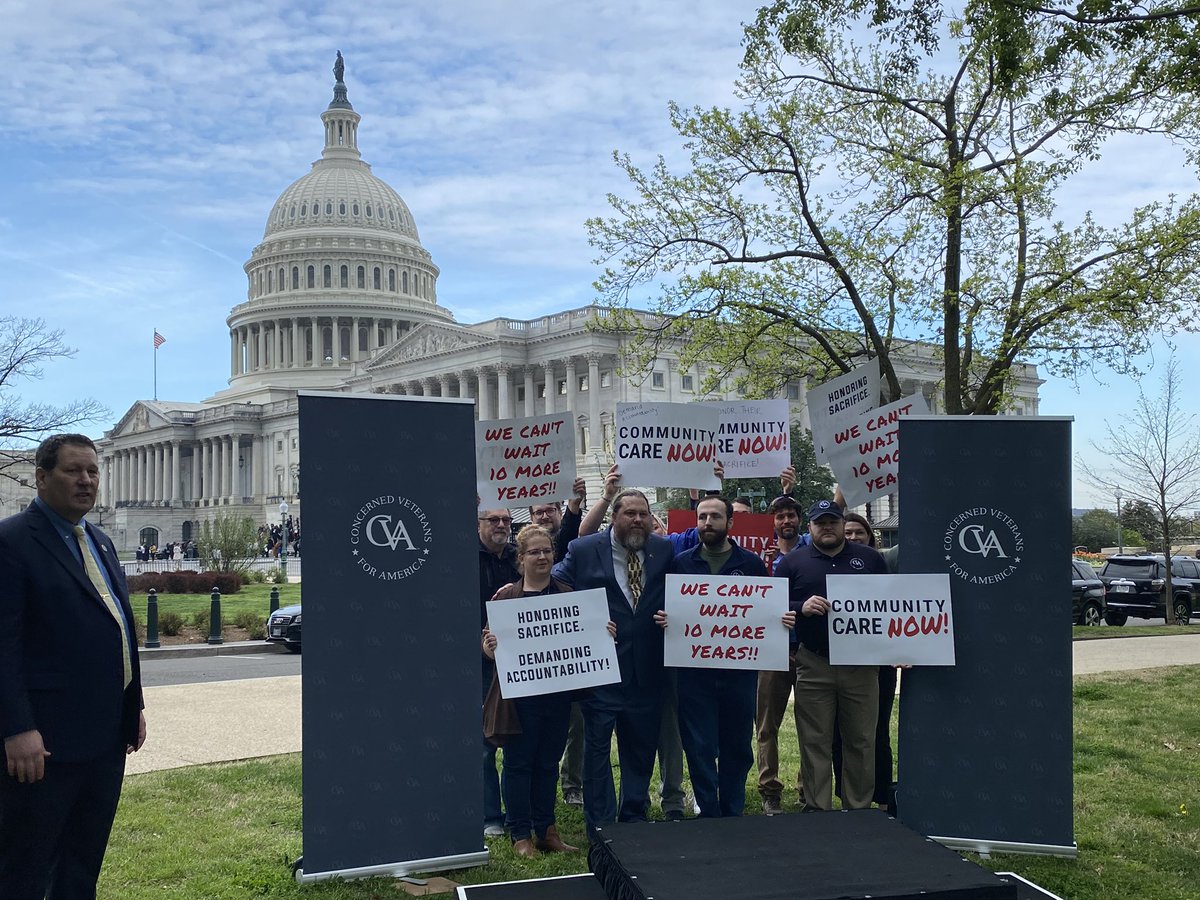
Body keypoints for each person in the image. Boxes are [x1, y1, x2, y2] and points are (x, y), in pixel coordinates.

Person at [0, 433, 147, 899]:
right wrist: (16, 727)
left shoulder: (99, 542)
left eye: (92, 471)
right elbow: (4, 645)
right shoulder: (12, 542)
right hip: (43, 743)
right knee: (26, 865)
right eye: (73, 471)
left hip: (104, 738)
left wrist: (133, 703)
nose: (86, 481)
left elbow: (116, 628)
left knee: (82, 863)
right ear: (41, 478)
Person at [659, 496, 794, 817]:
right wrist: (666, 619)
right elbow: (670, 609)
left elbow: (764, 610)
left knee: (736, 746)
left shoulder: (750, 564)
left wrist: (781, 619)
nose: (708, 523)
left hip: (739, 673)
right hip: (695, 674)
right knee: (699, 746)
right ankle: (708, 810)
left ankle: (732, 809)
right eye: (702, 517)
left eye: (715, 517)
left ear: (730, 523)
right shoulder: (681, 564)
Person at [553, 488, 676, 831]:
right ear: (613, 516)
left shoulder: (664, 550)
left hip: (648, 670)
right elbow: (554, 586)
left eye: (644, 514)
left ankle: (634, 815)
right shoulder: (583, 550)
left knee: (640, 748)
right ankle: (602, 822)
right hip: (602, 671)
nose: (638, 520)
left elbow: (688, 591)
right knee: (596, 751)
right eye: (630, 514)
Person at [482, 526, 594, 858]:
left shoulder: (569, 595)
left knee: (547, 763)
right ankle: (520, 834)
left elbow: (584, 641)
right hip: (519, 699)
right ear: (521, 559)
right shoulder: (506, 598)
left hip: (557, 697)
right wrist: (489, 647)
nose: (542, 557)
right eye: (534, 552)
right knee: (519, 764)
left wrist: (602, 632)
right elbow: (489, 648)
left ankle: (546, 830)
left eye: (547, 551)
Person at [775, 499, 887, 811]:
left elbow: (892, 605)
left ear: (841, 523)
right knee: (814, 740)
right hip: (814, 662)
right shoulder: (792, 563)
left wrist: (902, 645)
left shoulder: (870, 559)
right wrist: (800, 607)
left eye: (832, 521)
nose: (827, 527)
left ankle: (858, 806)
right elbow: (770, 607)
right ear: (809, 527)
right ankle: (817, 807)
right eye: (819, 522)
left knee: (861, 739)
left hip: (861, 664)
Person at [835, 511, 898, 813]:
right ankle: (845, 794)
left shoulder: (881, 565)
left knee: (877, 730)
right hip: (842, 661)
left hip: (880, 662)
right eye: (847, 533)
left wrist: (907, 646)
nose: (853, 538)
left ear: (870, 537)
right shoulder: (829, 567)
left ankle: (883, 794)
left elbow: (899, 608)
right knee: (839, 732)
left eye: (858, 533)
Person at [755, 492, 807, 814]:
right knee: (765, 724)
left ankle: (807, 788)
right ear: (773, 522)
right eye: (780, 516)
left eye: (791, 515)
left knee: (812, 725)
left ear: (799, 519)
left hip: (807, 649)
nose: (786, 520)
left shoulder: (812, 551)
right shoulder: (762, 556)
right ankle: (769, 789)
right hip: (771, 649)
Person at [477, 507, 519, 838]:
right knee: (484, 742)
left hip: (521, 661)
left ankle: (517, 812)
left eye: (506, 520)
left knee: (518, 739)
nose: (502, 525)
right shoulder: (465, 557)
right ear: (478, 524)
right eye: (493, 520)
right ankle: (491, 815)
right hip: (480, 664)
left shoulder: (520, 557)